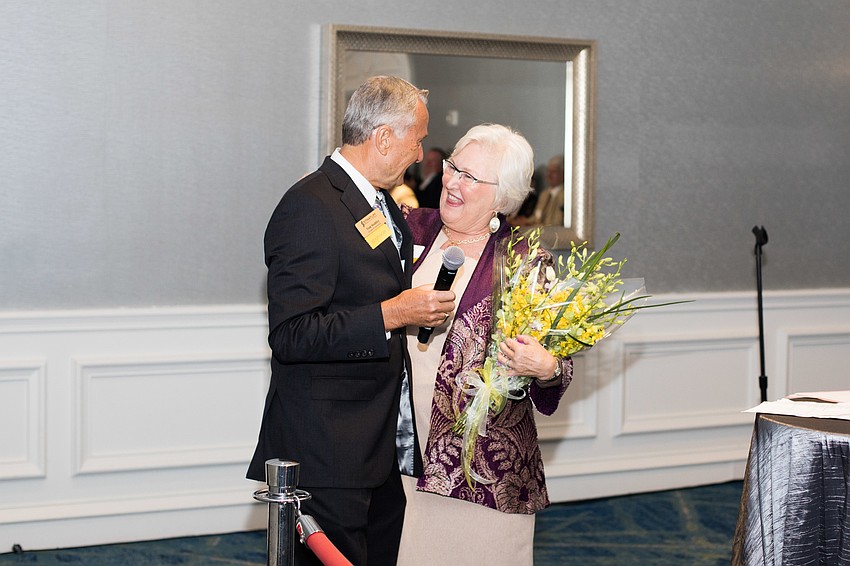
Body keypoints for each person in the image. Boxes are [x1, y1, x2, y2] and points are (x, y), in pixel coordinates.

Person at [247, 76, 456, 566]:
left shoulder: (378, 201)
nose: (422, 152)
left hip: (372, 442)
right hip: (326, 448)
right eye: (417, 138)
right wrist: (392, 313)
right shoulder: (310, 205)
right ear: (383, 137)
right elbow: (291, 335)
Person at [396, 125, 572, 565]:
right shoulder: (409, 231)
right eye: (453, 168)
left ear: (503, 196)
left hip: (482, 470)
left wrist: (546, 366)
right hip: (399, 449)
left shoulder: (524, 263)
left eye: (471, 177)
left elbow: (558, 367)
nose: (452, 181)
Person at [511, 154, 565, 227]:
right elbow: (536, 217)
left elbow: (554, 224)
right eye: (548, 171)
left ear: (562, 173)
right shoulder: (544, 194)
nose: (549, 175)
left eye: (553, 172)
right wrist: (526, 221)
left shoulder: (565, 196)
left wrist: (530, 225)